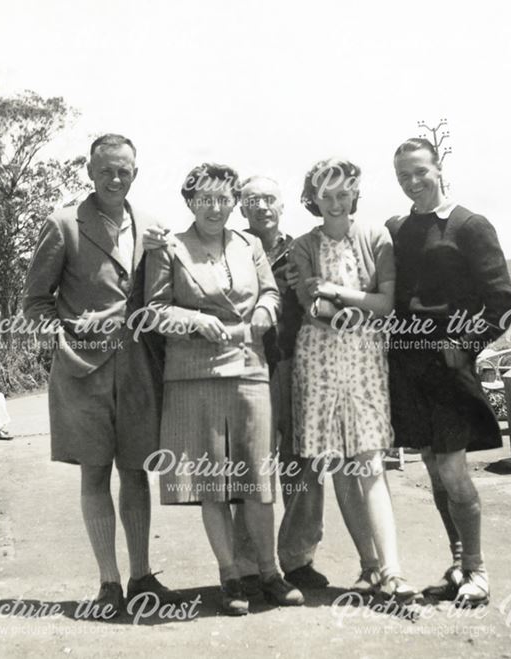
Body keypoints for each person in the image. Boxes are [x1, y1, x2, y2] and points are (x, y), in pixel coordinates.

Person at [22, 134, 179, 617]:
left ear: (137, 172)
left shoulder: (152, 225)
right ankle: (109, 583)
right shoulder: (65, 223)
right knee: (95, 473)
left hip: (137, 368)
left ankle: (142, 577)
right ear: (89, 170)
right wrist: (65, 340)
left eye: (124, 171)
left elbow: (165, 292)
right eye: (106, 170)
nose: (115, 179)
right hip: (83, 371)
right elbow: (34, 303)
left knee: (136, 472)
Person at [145, 163, 303, 616]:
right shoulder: (169, 248)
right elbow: (153, 311)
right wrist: (197, 320)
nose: (214, 208)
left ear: (235, 202)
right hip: (195, 377)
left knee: (257, 481)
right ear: (190, 202)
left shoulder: (250, 244)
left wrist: (265, 315)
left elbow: (271, 294)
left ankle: (270, 573)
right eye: (204, 199)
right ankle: (230, 575)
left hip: (251, 371)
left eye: (223, 199)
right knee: (213, 485)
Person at [386, 137, 511, 608]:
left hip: (450, 368)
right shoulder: (397, 229)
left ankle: (478, 571)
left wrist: (462, 346)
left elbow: (502, 303)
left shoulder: (470, 225)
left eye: (420, 172)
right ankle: (459, 564)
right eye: (403, 176)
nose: (413, 182)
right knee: (433, 470)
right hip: (408, 367)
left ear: (439, 168)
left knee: (453, 469)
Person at [289, 158, 417, 601]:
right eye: (327, 194)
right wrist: (346, 302)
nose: (337, 202)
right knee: (340, 467)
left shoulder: (376, 237)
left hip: (364, 362)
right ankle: (370, 566)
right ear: (313, 199)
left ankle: (394, 571)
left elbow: (387, 304)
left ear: (355, 194)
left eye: (344, 193)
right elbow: (314, 309)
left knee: (370, 463)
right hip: (319, 363)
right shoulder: (302, 246)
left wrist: (337, 293)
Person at [230, 176, 328, 594]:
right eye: (252, 200)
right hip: (249, 365)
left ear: (281, 205)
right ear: (242, 208)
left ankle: (298, 556)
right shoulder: (231, 249)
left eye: (269, 198)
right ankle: (250, 563)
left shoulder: (303, 248)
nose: (262, 207)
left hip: (299, 362)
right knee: (255, 463)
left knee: (304, 460)